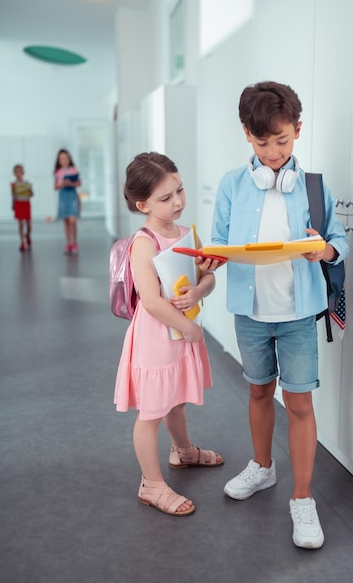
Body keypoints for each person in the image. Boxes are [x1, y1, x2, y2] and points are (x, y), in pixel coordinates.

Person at [211, 81, 349, 548]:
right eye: (262, 141)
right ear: (246, 134)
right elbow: (219, 242)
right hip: (250, 312)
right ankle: (263, 468)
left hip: (297, 314)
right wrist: (212, 259)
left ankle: (303, 498)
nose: (272, 151)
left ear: (298, 131)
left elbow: (339, 242)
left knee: (299, 403)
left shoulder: (313, 186)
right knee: (257, 392)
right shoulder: (232, 184)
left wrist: (322, 248)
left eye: (282, 140)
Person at [114, 151, 223, 517]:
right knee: (151, 412)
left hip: (180, 333)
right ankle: (152, 484)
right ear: (142, 203)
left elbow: (206, 276)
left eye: (179, 191)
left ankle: (184, 451)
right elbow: (151, 301)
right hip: (158, 338)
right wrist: (190, 327)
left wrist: (198, 291)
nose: (177, 202)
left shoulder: (186, 232)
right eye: (165, 198)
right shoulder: (143, 243)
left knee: (175, 399)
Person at [54, 149, 81, 254]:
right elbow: (56, 186)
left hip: (72, 195)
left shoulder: (74, 170)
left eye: (66, 158)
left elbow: (78, 183)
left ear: (69, 159)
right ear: (59, 161)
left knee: (73, 220)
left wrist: (71, 183)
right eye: (62, 158)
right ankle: (68, 243)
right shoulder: (58, 172)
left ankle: (75, 242)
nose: (64, 160)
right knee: (66, 221)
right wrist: (63, 183)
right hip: (63, 196)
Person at [11, 164, 33, 251]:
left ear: (23, 173)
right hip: (18, 203)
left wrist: (29, 189)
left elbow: (31, 194)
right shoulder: (14, 184)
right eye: (16, 172)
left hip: (26, 203)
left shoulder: (27, 183)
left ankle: (28, 235)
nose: (18, 173)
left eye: (19, 171)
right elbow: (13, 195)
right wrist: (13, 205)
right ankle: (22, 242)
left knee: (28, 224)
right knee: (20, 224)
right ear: (14, 173)